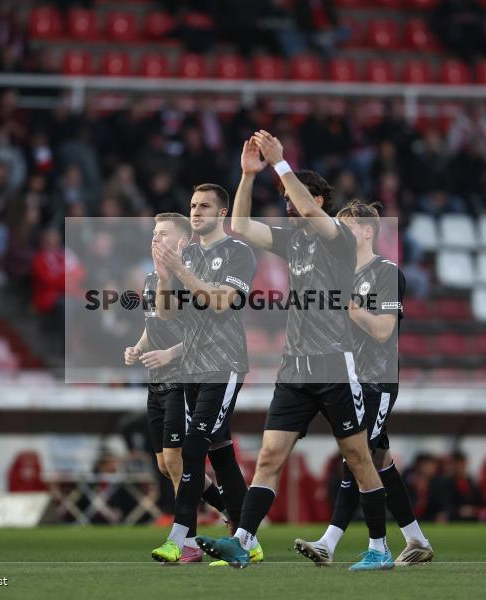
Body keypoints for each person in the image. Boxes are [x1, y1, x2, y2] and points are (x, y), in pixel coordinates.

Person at [197, 132, 392, 571]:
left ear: (319, 199)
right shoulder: (295, 241)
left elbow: (305, 208)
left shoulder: (337, 237)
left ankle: (379, 548)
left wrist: (282, 164)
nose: (287, 203)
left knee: (359, 457)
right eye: (282, 197)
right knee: (269, 456)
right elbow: (240, 227)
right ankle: (243, 541)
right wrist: (249, 176)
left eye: (292, 196)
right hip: (294, 368)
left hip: (334, 365)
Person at [294, 201, 433, 566]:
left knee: (355, 458)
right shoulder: (336, 272)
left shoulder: (386, 272)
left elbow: (385, 330)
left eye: (349, 228)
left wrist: (347, 306)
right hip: (348, 380)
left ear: (368, 231)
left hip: (377, 381)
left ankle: (333, 542)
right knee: (378, 460)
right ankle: (416, 538)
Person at [149, 185, 257, 565]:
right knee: (221, 453)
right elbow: (166, 314)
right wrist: (165, 277)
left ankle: (181, 539)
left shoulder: (239, 253)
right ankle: (249, 539)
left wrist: (179, 270)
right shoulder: (187, 254)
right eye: (193, 205)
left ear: (222, 213)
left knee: (193, 447)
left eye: (205, 206)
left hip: (224, 363)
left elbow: (222, 301)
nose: (196, 212)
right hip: (192, 366)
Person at [125, 213, 229, 563]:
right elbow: (151, 324)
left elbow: (203, 336)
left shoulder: (191, 280)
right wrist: (138, 347)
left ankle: (186, 540)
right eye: (154, 232)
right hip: (155, 382)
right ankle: (229, 509)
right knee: (165, 466)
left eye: (163, 233)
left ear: (182, 241)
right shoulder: (152, 278)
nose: (156, 238)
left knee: (176, 459)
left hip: (183, 380)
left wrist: (169, 354)